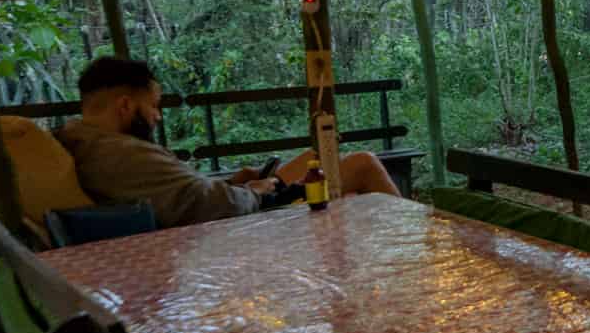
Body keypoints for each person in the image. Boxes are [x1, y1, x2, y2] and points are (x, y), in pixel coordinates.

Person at [56, 56, 399, 228]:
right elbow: (208, 203)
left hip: (234, 203)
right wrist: (256, 191)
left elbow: (184, 192)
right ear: (125, 106)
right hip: (240, 222)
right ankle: (421, 245)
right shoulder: (121, 153)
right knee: (363, 163)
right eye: (153, 107)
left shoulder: (84, 140)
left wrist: (236, 181)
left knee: (316, 155)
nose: (157, 117)